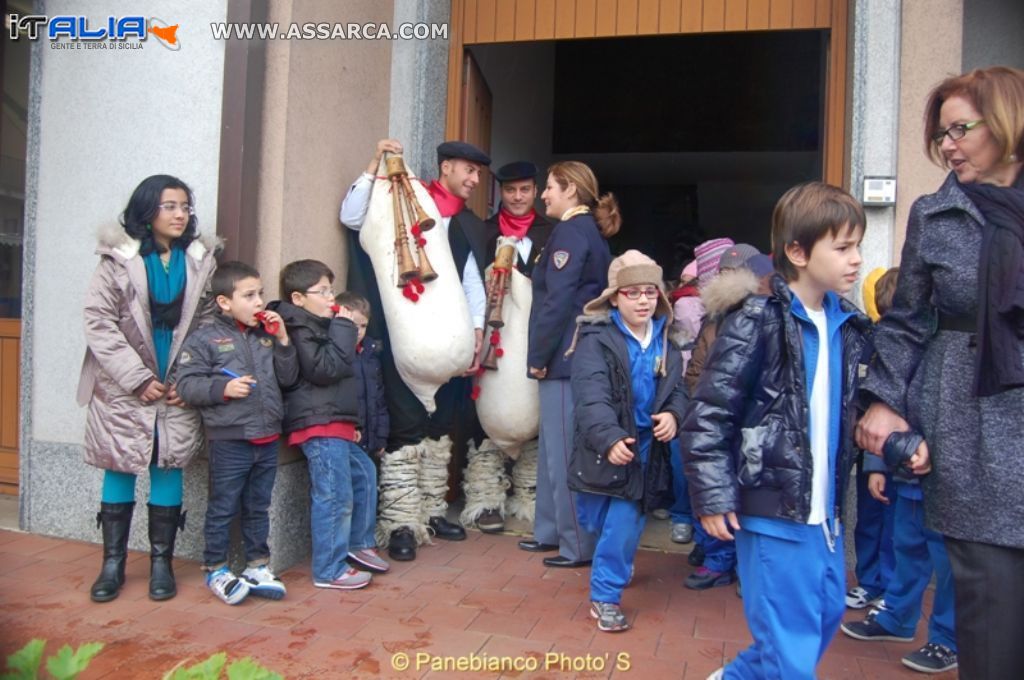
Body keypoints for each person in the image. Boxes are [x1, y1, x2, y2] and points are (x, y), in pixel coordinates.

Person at [856, 66, 1024, 680]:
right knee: (990, 612)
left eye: (960, 129)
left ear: (1007, 125)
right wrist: (880, 400)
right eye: (941, 134)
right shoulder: (935, 213)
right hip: (971, 423)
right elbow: (905, 322)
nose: (948, 145)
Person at [683, 182, 875, 679]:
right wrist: (712, 495)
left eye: (858, 245)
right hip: (771, 510)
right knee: (790, 650)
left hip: (824, 518)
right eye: (843, 247)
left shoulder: (849, 325)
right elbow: (709, 413)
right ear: (797, 251)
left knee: (824, 617)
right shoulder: (756, 320)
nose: (856, 259)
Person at [340, 139, 491, 561]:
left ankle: (432, 510)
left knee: (441, 427)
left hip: (448, 342)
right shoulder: (400, 198)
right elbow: (351, 216)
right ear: (446, 168)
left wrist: (475, 331)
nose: (475, 181)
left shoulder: (467, 225)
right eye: (470, 171)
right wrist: (375, 164)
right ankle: (402, 520)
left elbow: (471, 282)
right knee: (405, 427)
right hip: (401, 338)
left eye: (479, 174)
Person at [79, 174, 218, 603]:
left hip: (175, 380)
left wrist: (187, 378)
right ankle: (113, 565)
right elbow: (98, 322)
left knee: (168, 461)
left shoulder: (199, 261)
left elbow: (209, 322)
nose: (180, 214)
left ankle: (162, 564)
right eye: (170, 206)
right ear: (147, 211)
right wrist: (137, 378)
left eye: (185, 207)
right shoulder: (117, 261)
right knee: (119, 462)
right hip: (126, 382)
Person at [841, 272, 958, 676]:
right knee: (907, 547)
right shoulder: (897, 348)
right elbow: (881, 409)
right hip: (904, 471)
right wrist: (877, 465)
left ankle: (947, 640)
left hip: (949, 476)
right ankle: (897, 619)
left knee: (950, 564)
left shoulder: (957, 344)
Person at [567, 250, 687, 632]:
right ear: (615, 298)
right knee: (594, 518)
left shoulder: (669, 343)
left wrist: (673, 415)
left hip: (644, 451)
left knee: (625, 521)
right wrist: (608, 437)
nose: (642, 301)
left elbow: (678, 392)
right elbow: (591, 397)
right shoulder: (594, 340)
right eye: (633, 293)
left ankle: (605, 597)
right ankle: (615, 555)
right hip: (601, 448)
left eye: (650, 292)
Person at [175, 261, 299, 605]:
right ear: (224, 302)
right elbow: (186, 385)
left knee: (258, 505)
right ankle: (215, 567)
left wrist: (284, 341)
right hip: (230, 439)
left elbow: (288, 379)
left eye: (260, 293)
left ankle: (257, 566)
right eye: (249, 295)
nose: (260, 302)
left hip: (268, 435)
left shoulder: (265, 336)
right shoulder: (204, 339)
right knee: (223, 506)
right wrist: (224, 389)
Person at [267, 260, 387, 589]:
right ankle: (329, 569)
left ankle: (357, 544)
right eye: (323, 291)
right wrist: (345, 328)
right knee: (335, 495)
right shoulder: (301, 326)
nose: (331, 297)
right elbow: (326, 369)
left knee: (364, 473)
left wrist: (353, 422)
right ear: (298, 298)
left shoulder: (320, 324)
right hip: (317, 424)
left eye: (331, 290)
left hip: (336, 422)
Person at [522, 161, 619, 568]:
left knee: (563, 453)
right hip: (572, 353)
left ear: (571, 192)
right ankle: (549, 531)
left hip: (564, 355)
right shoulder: (582, 231)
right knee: (551, 447)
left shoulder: (570, 232)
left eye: (550, 187)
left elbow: (556, 302)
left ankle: (577, 544)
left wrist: (538, 357)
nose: (543, 194)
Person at [462, 160, 555, 534]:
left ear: (535, 192)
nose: (517, 197)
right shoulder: (481, 232)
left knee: (533, 408)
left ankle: (530, 496)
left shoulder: (554, 234)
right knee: (483, 407)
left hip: (535, 336)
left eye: (525, 190)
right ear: (500, 192)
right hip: (490, 336)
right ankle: (484, 499)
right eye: (510, 190)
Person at [681, 243, 768, 590]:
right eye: (722, 273)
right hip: (712, 413)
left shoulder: (759, 318)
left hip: (746, 423)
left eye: (734, 273)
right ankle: (713, 552)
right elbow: (699, 368)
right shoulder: (712, 317)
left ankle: (731, 563)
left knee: (743, 496)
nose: (726, 280)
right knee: (706, 485)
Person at [845, 268, 897, 611]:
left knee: (896, 529)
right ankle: (869, 581)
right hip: (868, 450)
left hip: (897, 454)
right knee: (868, 520)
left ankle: (890, 590)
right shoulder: (868, 340)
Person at [334, 291, 389, 459]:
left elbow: (379, 400)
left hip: (370, 438)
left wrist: (381, 438)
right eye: (352, 324)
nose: (358, 331)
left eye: (363, 326)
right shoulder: (336, 352)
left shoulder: (370, 354)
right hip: (347, 436)